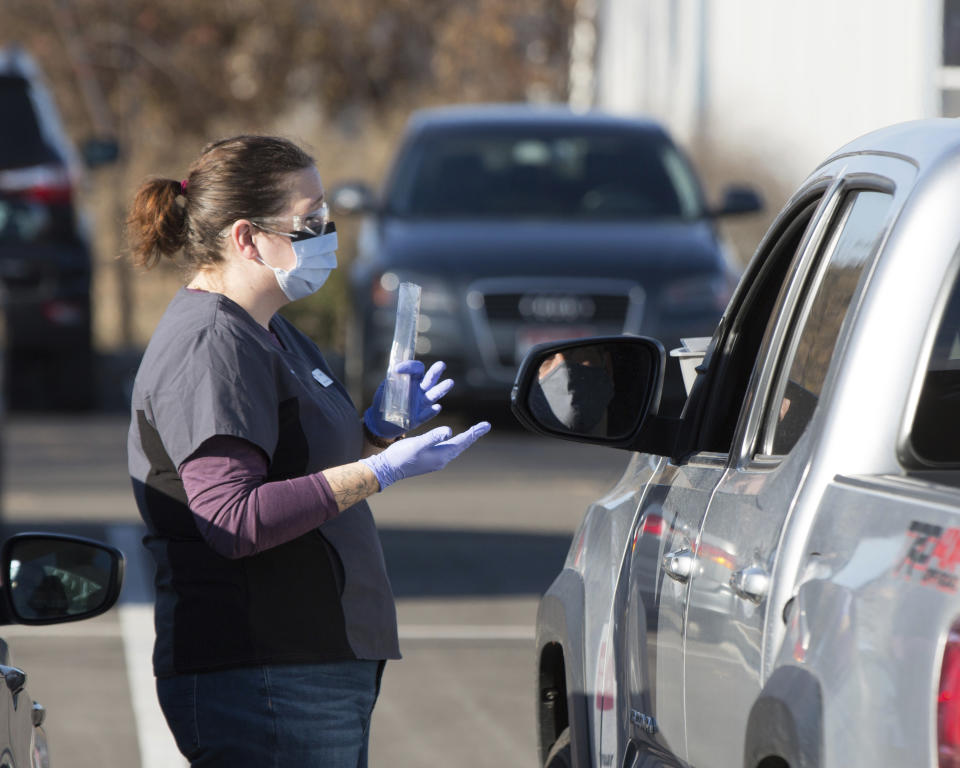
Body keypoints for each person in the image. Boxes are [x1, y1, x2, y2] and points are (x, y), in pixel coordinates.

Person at [125, 134, 490, 768]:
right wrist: (376, 471)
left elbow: (303, 464)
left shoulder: (270, 331)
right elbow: (232, 519)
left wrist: (379, 430)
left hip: (312, 662)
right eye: (310, 221)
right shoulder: (212, 342)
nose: (327, 236)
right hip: (264, 671)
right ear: (247, 237)